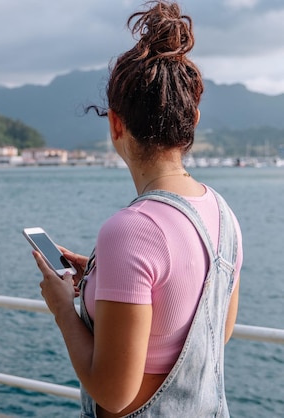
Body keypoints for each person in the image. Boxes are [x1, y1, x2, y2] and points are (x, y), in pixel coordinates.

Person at [32, 1, 243, 417]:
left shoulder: (131, 230)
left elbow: (113, 394)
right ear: (194, 119)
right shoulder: (223, 213)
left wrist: (63, 309)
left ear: (115, 124)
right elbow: (216, 333)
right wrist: (100, 275)